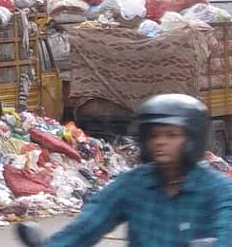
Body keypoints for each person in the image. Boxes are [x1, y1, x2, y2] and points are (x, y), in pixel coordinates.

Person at [39, 94, 232, 247]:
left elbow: (227, 234)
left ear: (193, 139)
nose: (160, 142)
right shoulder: (133, 184)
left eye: (171, 135)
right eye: (155, 135)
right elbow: (87, 226)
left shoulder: (219, 190)